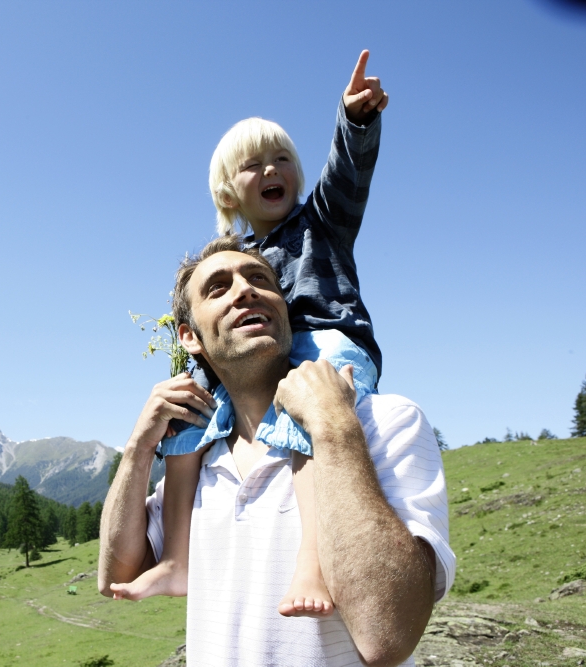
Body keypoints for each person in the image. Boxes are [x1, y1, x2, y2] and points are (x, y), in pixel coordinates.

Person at [108, 50, 388, 618]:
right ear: (227, 194)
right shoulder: (238, 256)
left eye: (282, 158)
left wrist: (354, 122)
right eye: (253, 165)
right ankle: (179, 558)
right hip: (261, 360)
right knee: (188, 406)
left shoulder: (321, 223)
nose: (271, 170)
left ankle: (313, 556)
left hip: (328, 341)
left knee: (306, 406)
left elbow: (347, 176)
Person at [98, 237, 454, 667]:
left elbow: (388, 638)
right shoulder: (195, 460)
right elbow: (115, 575)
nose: (245, 290)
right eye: (217, 287)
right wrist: (139, 446)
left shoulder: (385, 422)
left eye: (259, 279)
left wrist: (333, 428)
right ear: (189, 338)